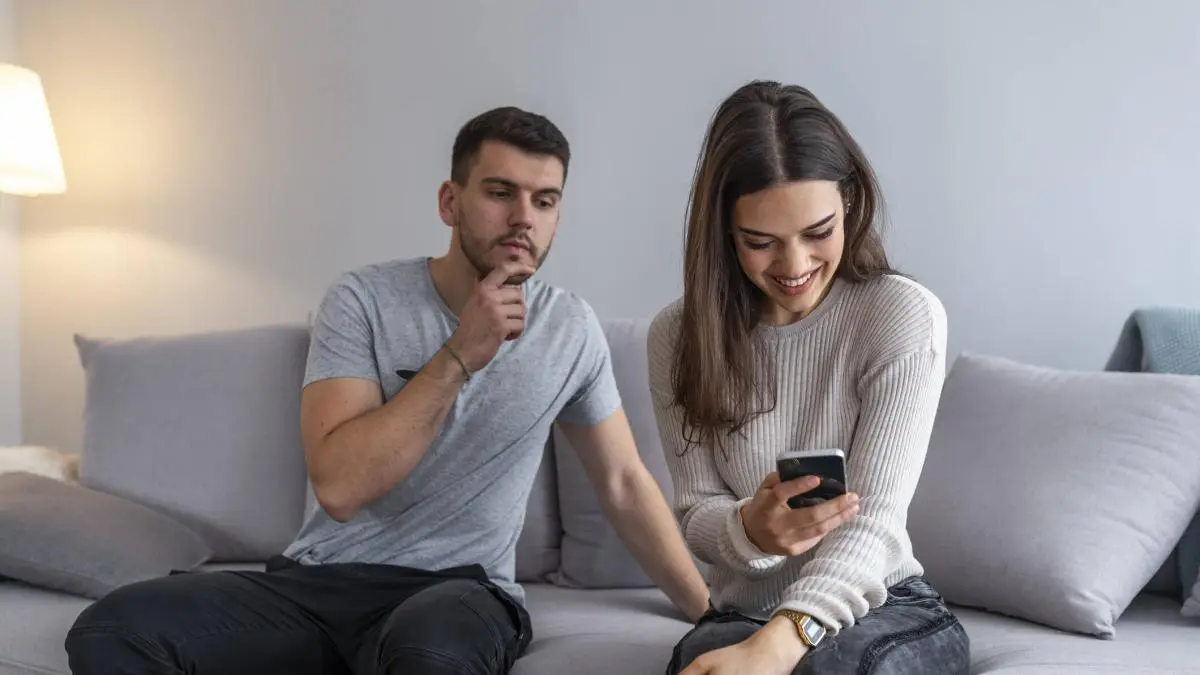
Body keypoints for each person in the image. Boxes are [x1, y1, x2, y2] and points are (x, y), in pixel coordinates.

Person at [65, 105, 711, 675]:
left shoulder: (569, 328)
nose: (523, 218)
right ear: (449, 202)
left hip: (460, 591)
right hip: (320, 585)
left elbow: (625, 483)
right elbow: (341, 488)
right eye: (500, 192)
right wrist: (462, 351)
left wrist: (710, 612)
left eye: (545, 201)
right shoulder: (364, 299)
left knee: (431, 649)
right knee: (112, 627)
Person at [647, 80, 971, 675]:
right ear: (724, 233)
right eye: (760, 243)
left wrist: (783, 638)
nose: (795, 267)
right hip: (741, 611)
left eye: (818, 233)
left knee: (827, 668)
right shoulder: (677, 335)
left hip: (882, 603)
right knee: (700, 661)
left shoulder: (900, 314)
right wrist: (752, 531)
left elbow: (873, 520)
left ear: (849, 201)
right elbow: (695, 514)